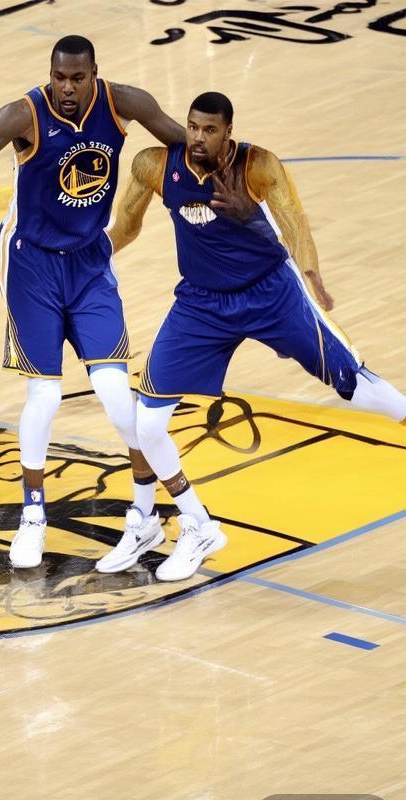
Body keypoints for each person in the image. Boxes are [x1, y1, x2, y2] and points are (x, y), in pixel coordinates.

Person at [98, 91, 406, 581]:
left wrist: (308, 270)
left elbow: (293, 220)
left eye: (210, 130)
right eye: (193, 127)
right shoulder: (155, 166)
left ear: (228, 133)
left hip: (271, 294)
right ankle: (197, 525)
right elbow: (125, 227)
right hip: (201, 305)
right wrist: (86, 259)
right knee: (148, 422)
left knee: (352, 382)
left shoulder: (257, 165)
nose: (199, 137)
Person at [0, 35, 187, 570]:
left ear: (94, 75)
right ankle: (33, 514)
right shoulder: (24, 114)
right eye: (59, 77)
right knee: (45, 395)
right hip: (30, 263)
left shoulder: (125, 103)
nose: (66, 87)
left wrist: (217, 176)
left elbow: (185, 143)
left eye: (77, 78)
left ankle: (145, 516)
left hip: (88, 263)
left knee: (116, 395)